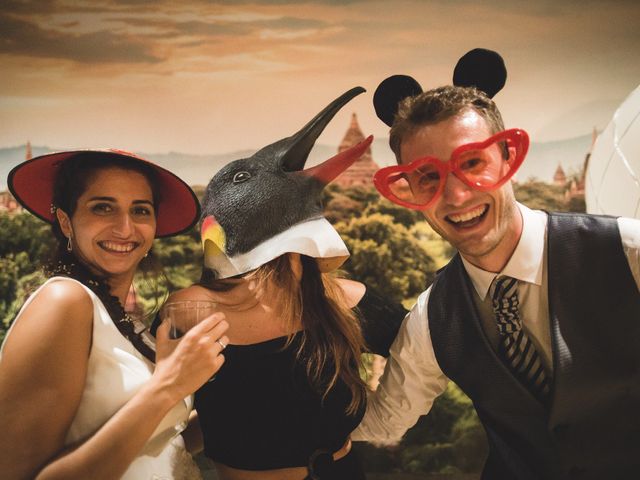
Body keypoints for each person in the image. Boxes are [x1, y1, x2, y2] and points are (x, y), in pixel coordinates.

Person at [353, 85, 640, 479]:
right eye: (428, 178)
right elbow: (385, 420)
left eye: (472, 163)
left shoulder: (627, 252)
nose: (455, 195)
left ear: (507, 157)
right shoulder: (431, 318)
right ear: (410, 191)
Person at [164, 87, 407, 480]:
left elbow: (429, 353)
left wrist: (383, 419)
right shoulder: (190, 310)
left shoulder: (347, 302)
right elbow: (167, 407)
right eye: (244, 178)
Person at [0, 150, 229, 480]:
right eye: (102, 208)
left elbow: (154, 443)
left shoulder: (126, 319)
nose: (125, 228)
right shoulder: (64, 300)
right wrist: (169, 384)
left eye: (140, 210)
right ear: (66, 221)